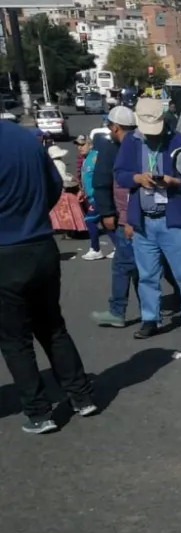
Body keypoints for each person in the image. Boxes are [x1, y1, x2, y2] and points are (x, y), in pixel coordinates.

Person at [0, 120, 98, 433]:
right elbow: (54, 185)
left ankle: (39, 412)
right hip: (41, 245)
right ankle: (81, 396)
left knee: (15, 340)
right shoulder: (25, 138)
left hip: (6, 251)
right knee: (52, 326)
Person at [114, 97, 181, 340]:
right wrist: (136, 178)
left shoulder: (178, 142)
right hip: (144, 221)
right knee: (147, 276)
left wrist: (175, 182)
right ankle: (150, 319)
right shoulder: (131, 143)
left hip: (171, 220)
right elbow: (120, 174)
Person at [90, 106, 141, 328]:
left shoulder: (111, 148)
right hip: (140, 215)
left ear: (115, 127)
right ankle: (150, 310)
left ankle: (118, 311)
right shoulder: (140, 144)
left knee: (124, 265)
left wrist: (107, 213)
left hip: (125, 218)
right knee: (141, 266)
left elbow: (101, 182)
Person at [78, 136, 106, 261]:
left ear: (90, 145)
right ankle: (119, 247)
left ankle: (95, 249)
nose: (80, 147)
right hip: (89, 196)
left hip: (97, 196)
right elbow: (87, 178)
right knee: (106, 223)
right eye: (78, 145)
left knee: (90, 221)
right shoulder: (85, 159)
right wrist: (82, 191)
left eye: (83, 144)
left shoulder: (96, 156)